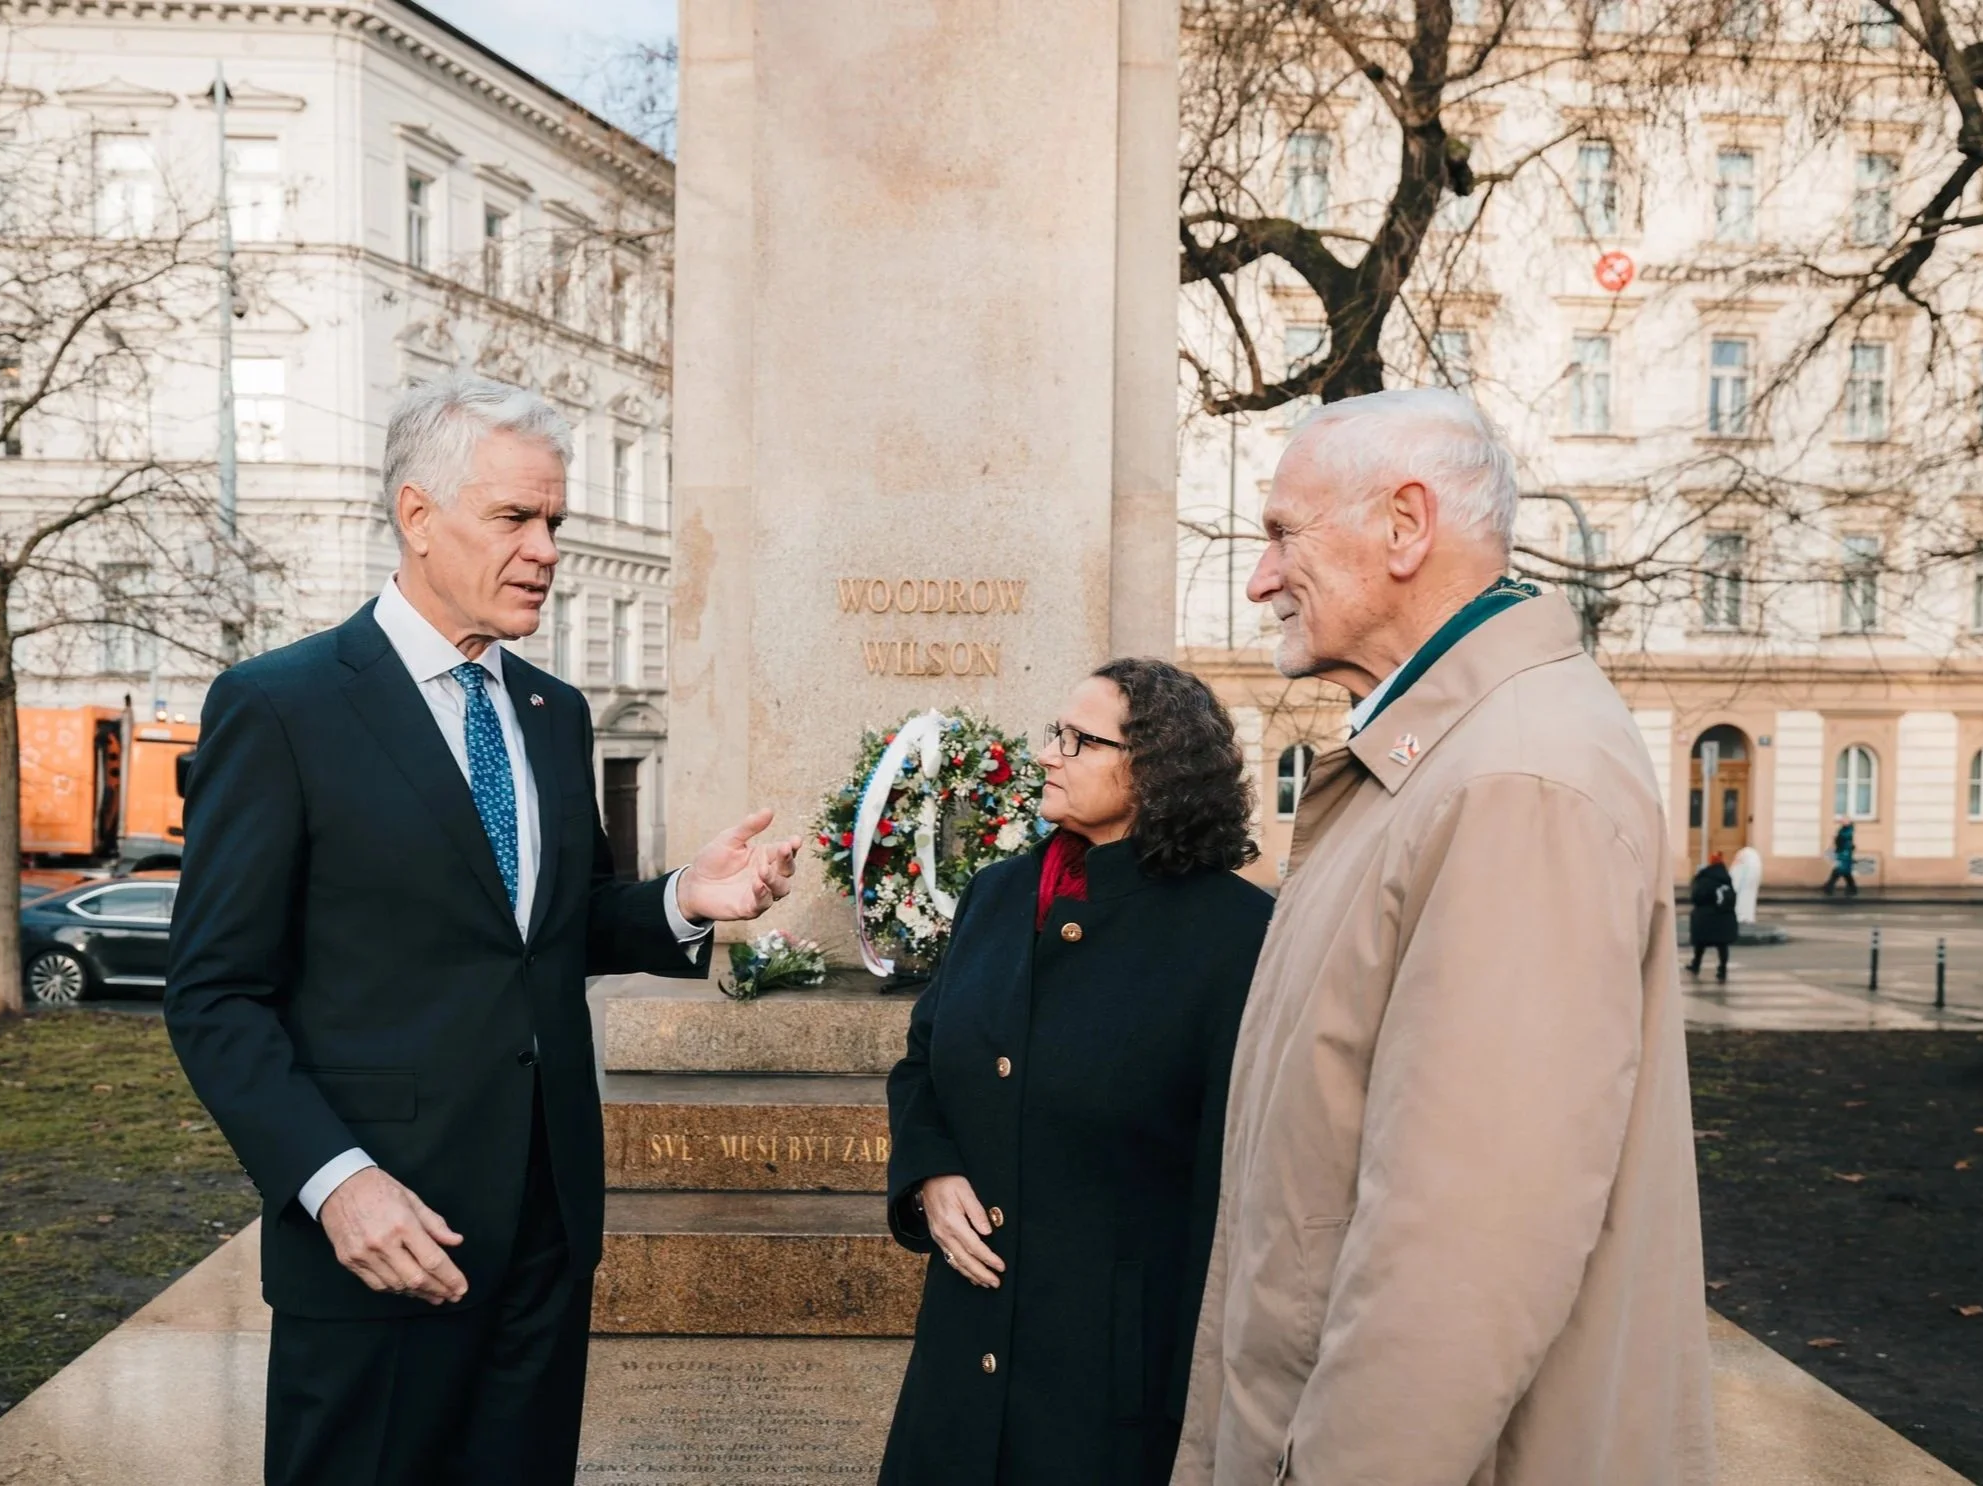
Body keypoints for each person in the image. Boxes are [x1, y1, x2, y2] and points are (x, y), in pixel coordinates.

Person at [164, 374, 802, 1486]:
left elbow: (545, 932)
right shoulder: (281, 706)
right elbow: (215, 994)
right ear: (417, 517)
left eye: (553, 519)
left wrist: (680, 902)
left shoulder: (554, 712)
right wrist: (333, 1182)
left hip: (546, 1232)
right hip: (377, 1234)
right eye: (516, 518)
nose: (547, 548)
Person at [1174, 390, 1714, 1485]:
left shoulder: (1515, 779)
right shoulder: (1445, 758)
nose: (1258, 577)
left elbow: (1460, 1260)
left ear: (1405, 527)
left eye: (1282, 533)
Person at [879, 659, 1272, 1486]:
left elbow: (1230, 1183)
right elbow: (924, 1060)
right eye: (1055, 734)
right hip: (960, 1367)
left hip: (1110, 1388)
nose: (1048, 756)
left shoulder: (1236, 935)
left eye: (1078, 741)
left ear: (1157, 768)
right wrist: (931, 1171)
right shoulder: (998, 893)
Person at [1689, 852, 1739, 982]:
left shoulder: (1704, 878)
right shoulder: (1726, 879)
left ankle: (1696, 965)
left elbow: (1696, 897)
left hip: (1705, 917)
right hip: (1723, 918)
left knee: (1700, 944)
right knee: (1722, 946)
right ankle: (1722, 969)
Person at [1730, 841, 1762, 928]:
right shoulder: (1754, 855)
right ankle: (1748, 917)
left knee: (1741, 901)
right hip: (1751, 883)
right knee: (1749, 900)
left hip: (1744, 884)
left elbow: (1735, 874)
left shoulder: (1743, 854)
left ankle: (1741, 917)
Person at [1825, 818, 1859, 896]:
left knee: (1838, 871)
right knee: (1845, 872)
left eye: (1845, 821)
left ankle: (1829, 887)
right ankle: (1852, 888)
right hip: (1842, 852)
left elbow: (1843, 838)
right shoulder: (1843, 829)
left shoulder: (1849, 829)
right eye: (1843, 820)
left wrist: (1836, 837)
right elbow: (1840, 839)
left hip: (1845, 853)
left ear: (1849, 822)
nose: (1842, 821)